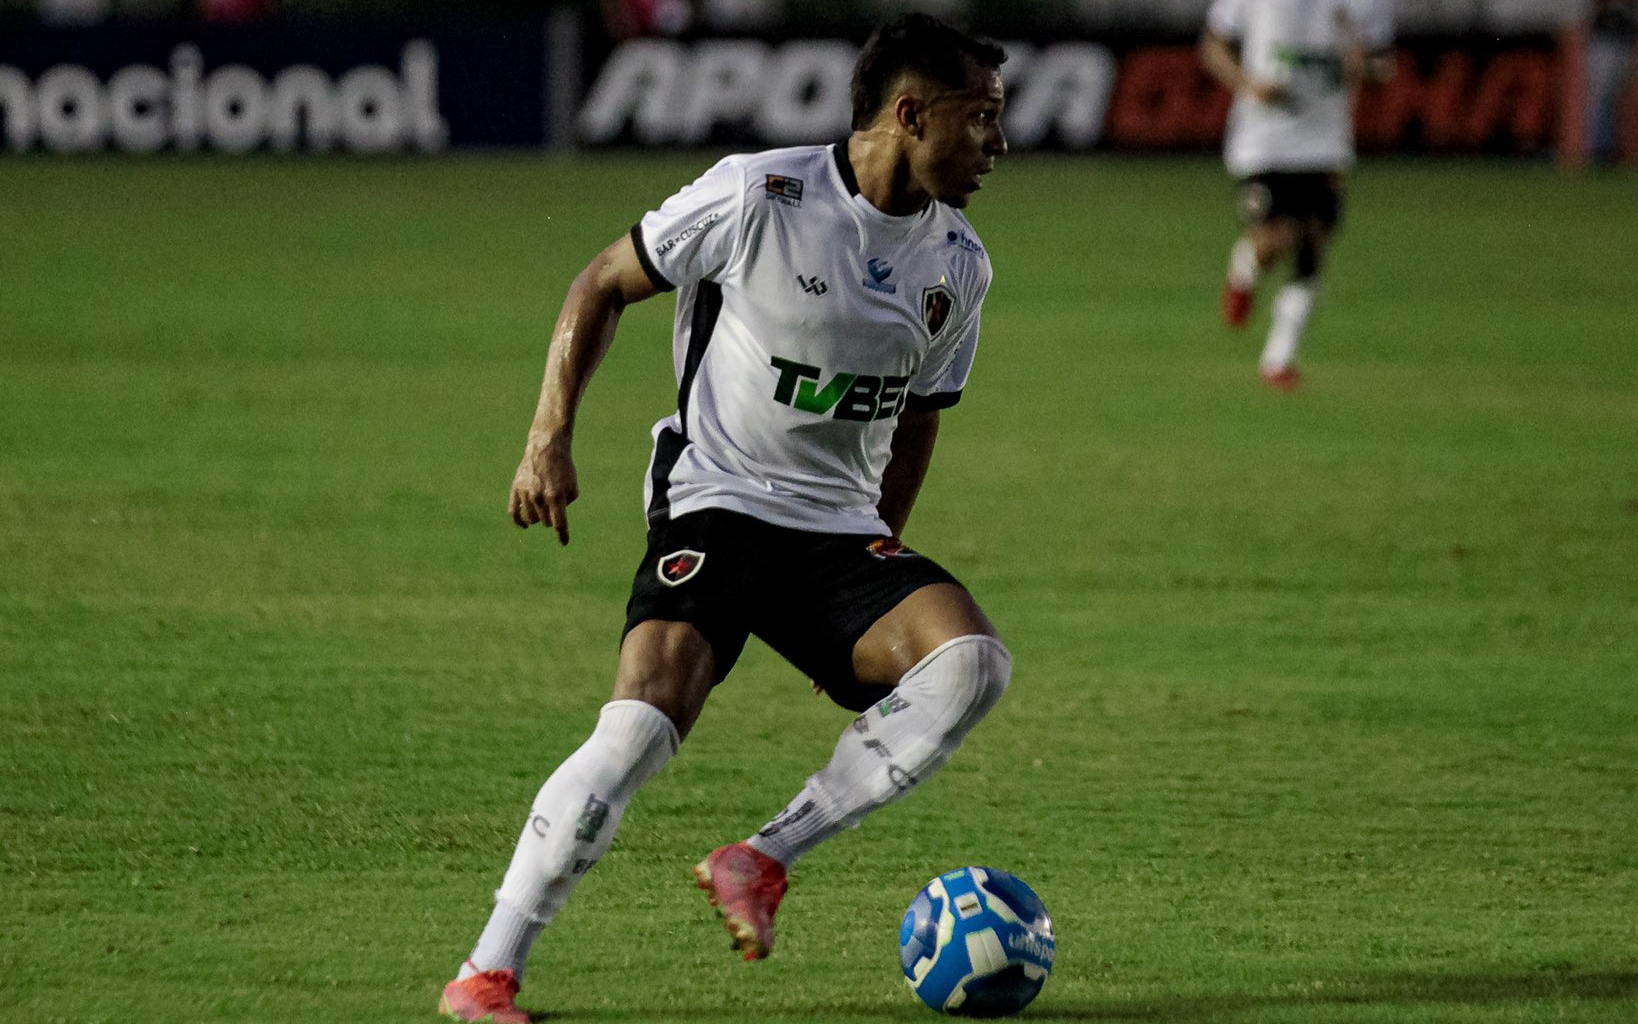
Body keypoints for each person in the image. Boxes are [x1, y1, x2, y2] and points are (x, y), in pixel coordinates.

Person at [438, 13, 1010, 1022]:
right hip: (718, 501)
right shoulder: (760, 193)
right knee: (638, 727)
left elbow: (920, 418)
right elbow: (603, 282)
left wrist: (885, 540)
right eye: (981, 120)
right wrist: (548, 435)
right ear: (911, 113)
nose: (997, 146)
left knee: (970, 662)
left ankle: (761, 856)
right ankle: (487, 971)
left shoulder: (959, 264)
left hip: (837, 534)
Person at [1200, 0, 1394, 391]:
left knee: (1313, 246)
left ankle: (1279, 357)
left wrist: (1363, 67)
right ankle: (1245, 266)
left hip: (1326, 145)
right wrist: (1247, 84)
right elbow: (1213, 46)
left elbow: (1382, 67)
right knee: (1272, 242)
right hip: (1264, 141)